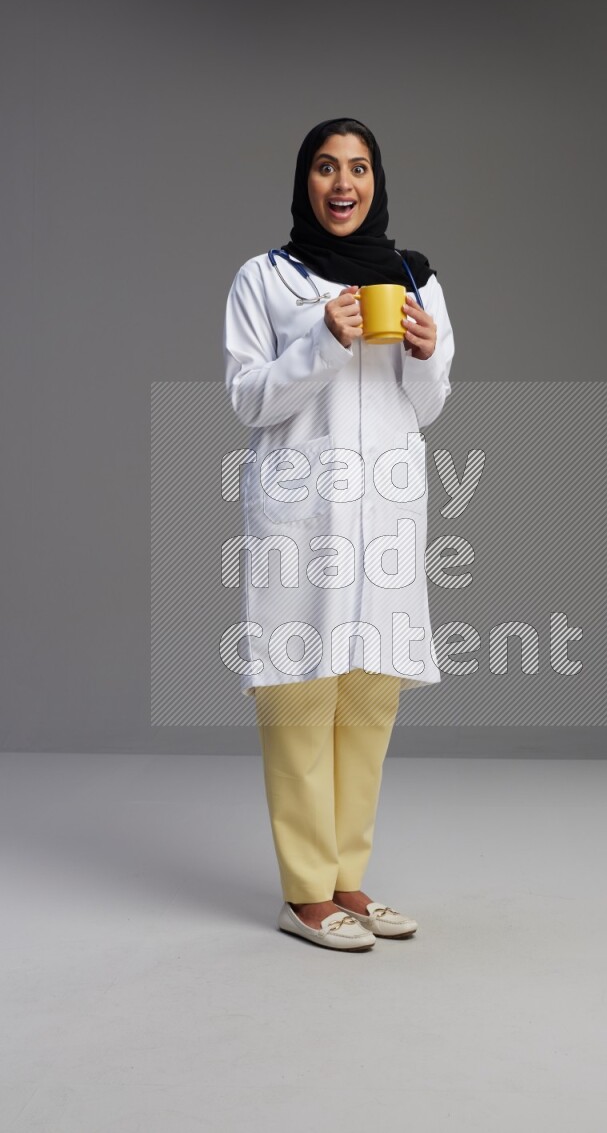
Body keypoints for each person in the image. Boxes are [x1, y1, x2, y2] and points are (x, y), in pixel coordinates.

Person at [223, 117, 454, 951]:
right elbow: (249, 399)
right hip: (303, 521)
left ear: (376, 180)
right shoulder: (265, 279)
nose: (343, 182)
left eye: (358, 167)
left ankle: (348, 880)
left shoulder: (416, 279)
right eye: (326, 167)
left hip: (384, 518)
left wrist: (425, 354)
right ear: (306, 182)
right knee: (297, 696)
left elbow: (428, 405)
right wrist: (323, 339)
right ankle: (305, 893)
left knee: (366, 704)